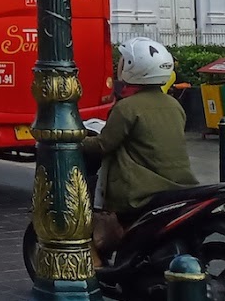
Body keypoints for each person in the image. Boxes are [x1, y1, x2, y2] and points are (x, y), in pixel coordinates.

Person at [83, 37, 198, 235]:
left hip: (140, 192)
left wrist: (75, 141)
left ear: (132, 68)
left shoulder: (127, 107)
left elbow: (104, 145)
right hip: (181, 185)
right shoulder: (174, 105)